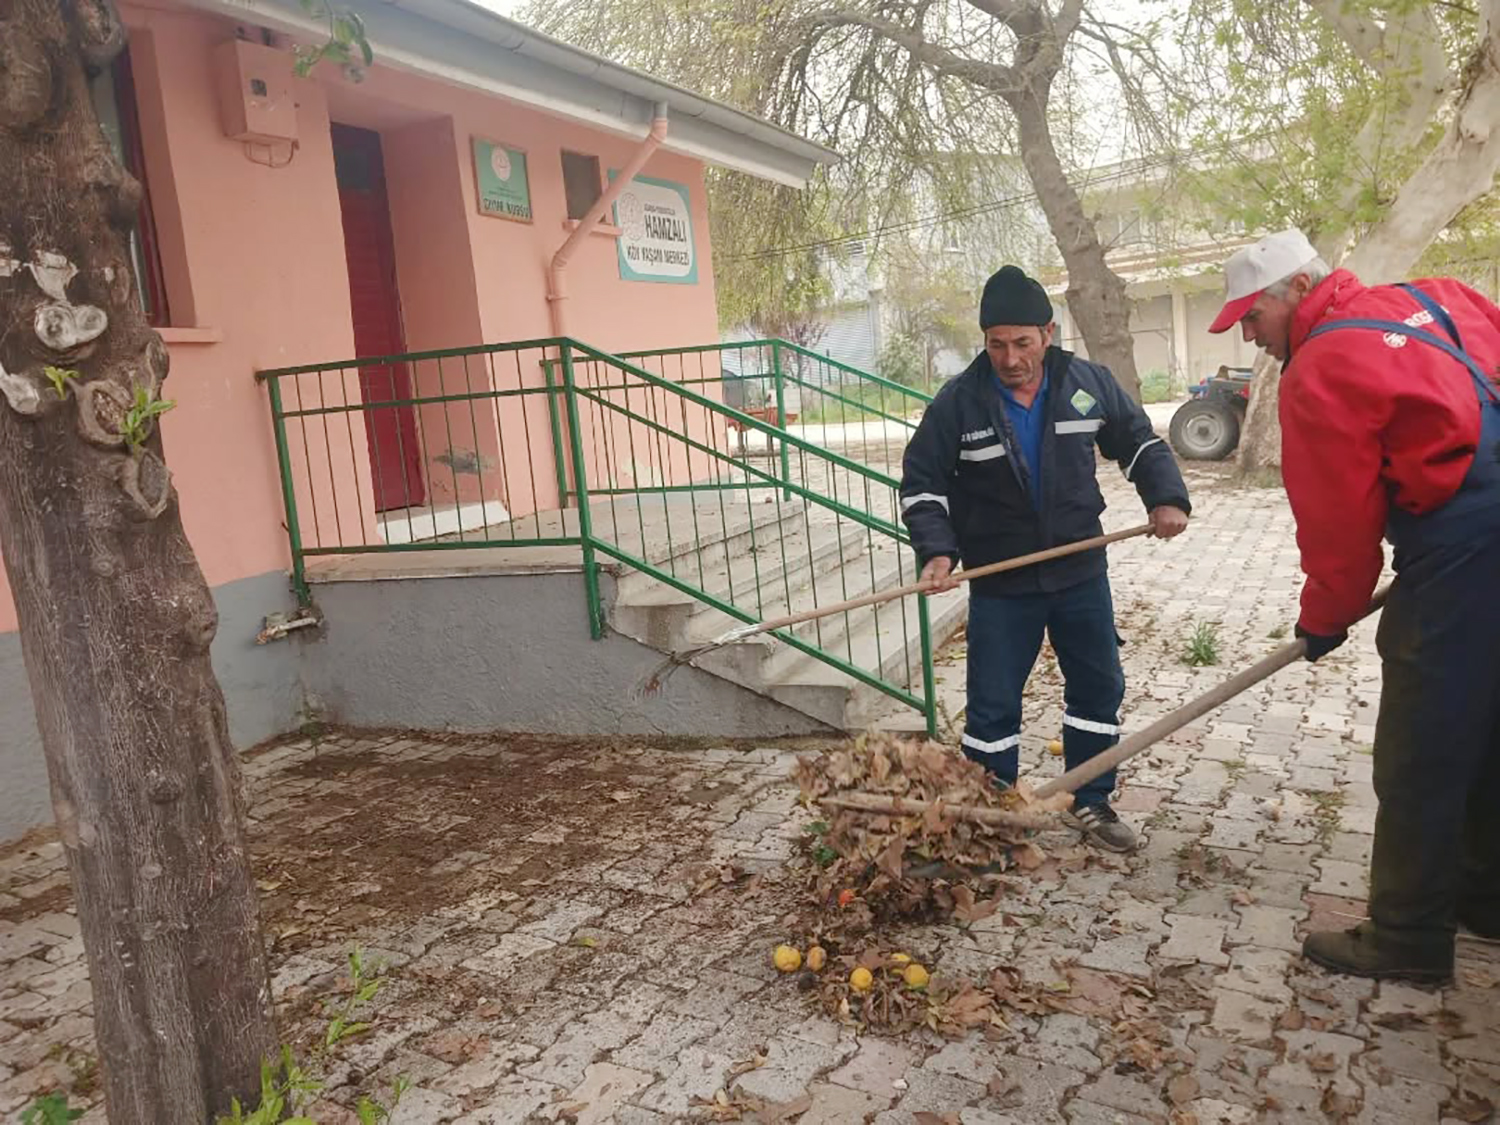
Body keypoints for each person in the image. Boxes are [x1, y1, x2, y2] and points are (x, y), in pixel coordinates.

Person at [1207, 228, 1500, 982]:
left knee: (1422, 746)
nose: (1249, 335)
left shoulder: (1321, 368)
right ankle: (1487, 899)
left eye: (1253, 315)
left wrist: (1324, 618)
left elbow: (1340, 525)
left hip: (1462, 550)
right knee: (1491, 726)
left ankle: (1409, 936)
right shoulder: (1442, 297)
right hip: (1479, 538)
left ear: (1300, 290)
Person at [900, 265, 1191, 852]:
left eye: (1022, 343)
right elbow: (923, 485)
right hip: (1002, 582)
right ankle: (992, 813)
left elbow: (1138, 441)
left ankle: (1090, 799)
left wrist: (1165, 497)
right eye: (997, 345)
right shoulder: (960, 402)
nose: (1010, 358)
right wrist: (937, 551)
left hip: (1079, 573)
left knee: (1097, 690)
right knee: (992, 706)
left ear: (1048, 334)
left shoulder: (1087, 383)